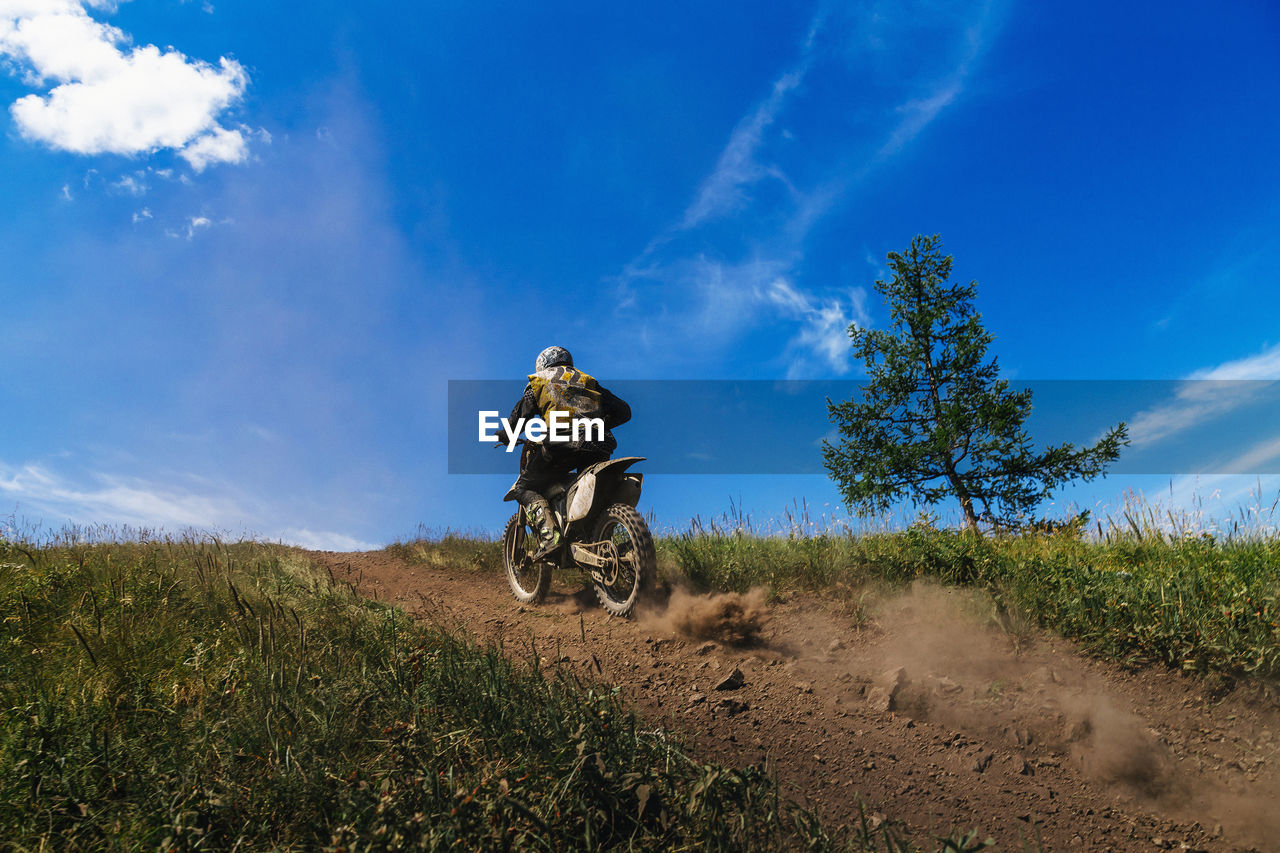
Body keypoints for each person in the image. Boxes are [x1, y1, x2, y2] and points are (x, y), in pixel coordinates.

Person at [506, 346, 631, 559]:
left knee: (523, 487)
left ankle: (550, 539)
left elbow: (521, 414)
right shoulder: (587, 380)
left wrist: (506, 432)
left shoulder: (540, 380)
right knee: (590, 491)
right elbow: (623, 411)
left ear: (542, 364)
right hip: (599, 443)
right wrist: (596, 424)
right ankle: (588, 536)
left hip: (561, 444)